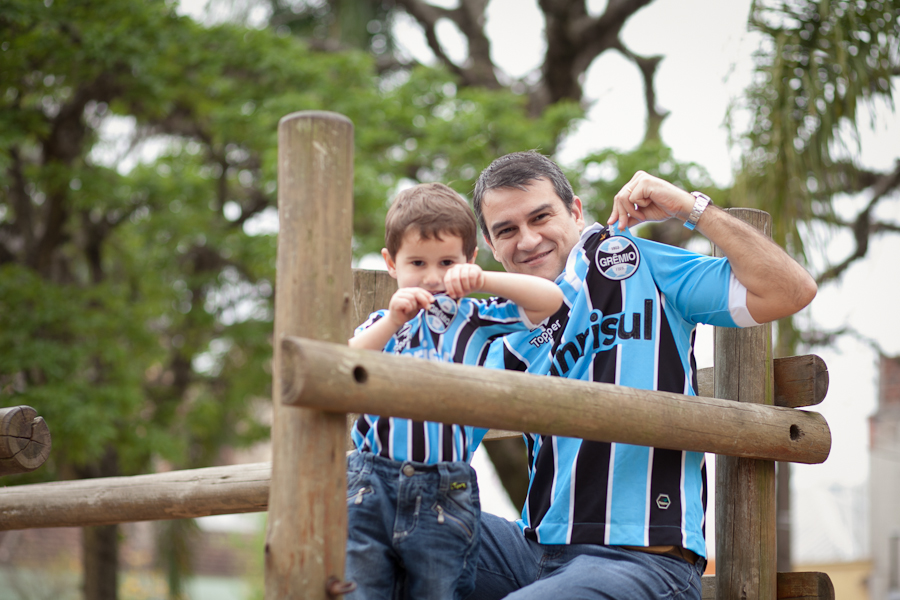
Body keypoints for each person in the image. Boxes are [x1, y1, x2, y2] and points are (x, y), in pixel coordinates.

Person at [466, 151, 817, 600]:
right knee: (381, 516)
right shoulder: (500, 329)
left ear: (574, 211)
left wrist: (690, 208)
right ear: (492, 247)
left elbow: (792, 290)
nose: (529, 239)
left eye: (541, 216)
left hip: (643, 557)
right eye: (507, 230)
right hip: (531, 553)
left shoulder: (636, 262)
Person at [345, 182, 564, 600]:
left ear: (468, 259)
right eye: (417, 263)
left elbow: (550, 300)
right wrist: (392, 320)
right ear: (391, 263)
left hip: (446, 489)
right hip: (371, 481)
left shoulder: (476, 317)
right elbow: (345, 363)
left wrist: (484, 279)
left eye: (447, 262)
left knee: (441, 588)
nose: (432, 276)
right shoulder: (381, 322)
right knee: (362, 588)